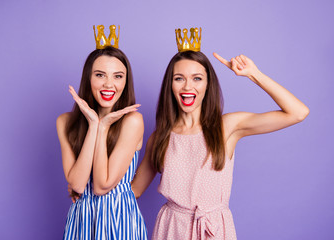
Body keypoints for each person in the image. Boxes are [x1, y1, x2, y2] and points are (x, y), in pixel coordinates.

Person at [131, 27, 309, 239]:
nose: (188, 86)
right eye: (179, 78)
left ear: (208, 84)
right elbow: (135, 191)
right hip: (172, 228)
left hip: (214, 228)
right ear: (170, 85)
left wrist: (254, 75)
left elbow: (297, 113)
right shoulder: (160, 136)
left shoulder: (227, 126)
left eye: (197, 78)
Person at [57, 25, 148, 240]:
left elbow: (101, 185)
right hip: (82, 219)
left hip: (119, 219)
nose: (109, 84)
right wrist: (95, 125)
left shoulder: (133, 121)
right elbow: (78, 184)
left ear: (126, 82)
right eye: (100, 75)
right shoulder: (65, 122)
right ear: (88, 78)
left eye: (118, 76)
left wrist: (104, 126)